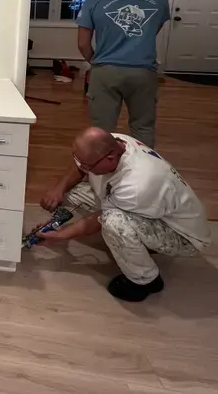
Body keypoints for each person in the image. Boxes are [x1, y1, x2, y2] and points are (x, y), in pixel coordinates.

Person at [38, 127, 210, 302]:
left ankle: (145, 280)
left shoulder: (138, 183)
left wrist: (61, 236)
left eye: (87, 166)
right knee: (72, 192)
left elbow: (99, 219)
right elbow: (80, 168)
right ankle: (140, 246)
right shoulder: (115, 141)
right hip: (151, 208)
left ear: (110, 158)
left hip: (182, 234)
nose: (82, 168)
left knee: (114, 223)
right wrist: (58, 190)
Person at [77, 0, 170, 148]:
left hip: (106, 72)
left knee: (102, 130)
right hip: (144, 71)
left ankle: (103, 174)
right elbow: (153, 30)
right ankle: (143, 172)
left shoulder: (94, 0)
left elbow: (82, 43)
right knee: (143, 127)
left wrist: (96, 62)